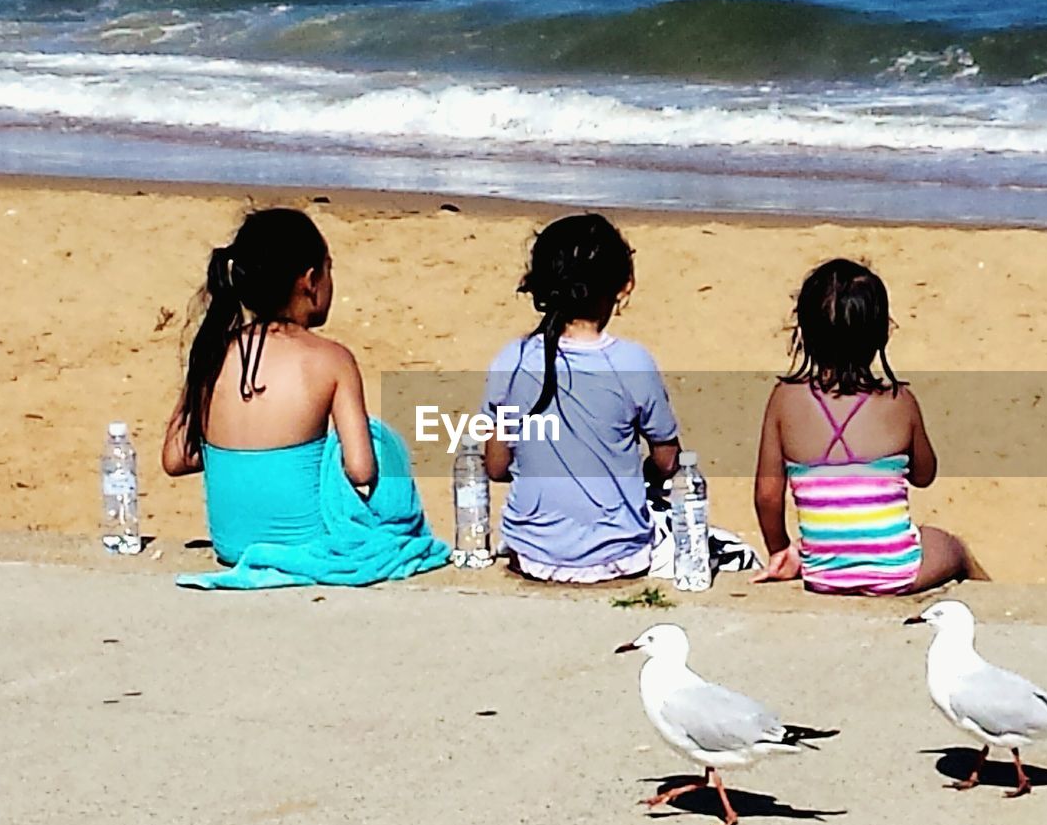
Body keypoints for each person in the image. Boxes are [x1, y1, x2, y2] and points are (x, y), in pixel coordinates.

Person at [162, 207, 446, 585]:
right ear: (310, 281)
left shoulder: (214, 352)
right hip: (303, 543)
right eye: (329, 270)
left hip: (231, 544)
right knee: (376, 438)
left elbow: (176, 458)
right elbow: (361, 468)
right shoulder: (331, 359)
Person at [751, 258, 983, 595]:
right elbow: (924, 474)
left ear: (804, 331)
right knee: (951, 547)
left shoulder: (784, 400)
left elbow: (767, 496)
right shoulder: (899, 401)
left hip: (822, 574)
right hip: (896, 572)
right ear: (880, 333)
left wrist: (780, 550)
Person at [480, 213, 681, 583]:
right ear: (625, 285)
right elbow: (667, 461)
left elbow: (495, 467)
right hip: (621, 554)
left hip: (531, 553)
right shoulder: (632, 362)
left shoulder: (513, 358)